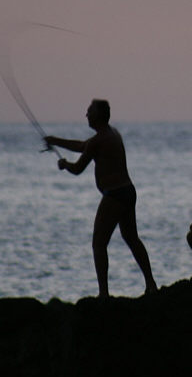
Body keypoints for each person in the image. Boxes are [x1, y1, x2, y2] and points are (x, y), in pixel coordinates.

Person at [44, 99, 158, 298]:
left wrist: (64, 164)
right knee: (131, 238)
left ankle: (103, 293)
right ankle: (151, 284)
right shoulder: (111, 134)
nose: (86, 115)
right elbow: (82, 146)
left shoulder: (99, 140)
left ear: (97, 115)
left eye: (89, 111)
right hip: (128, 191)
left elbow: (78, 169)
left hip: (114, 194)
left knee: (98, 243)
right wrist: (55, 140)